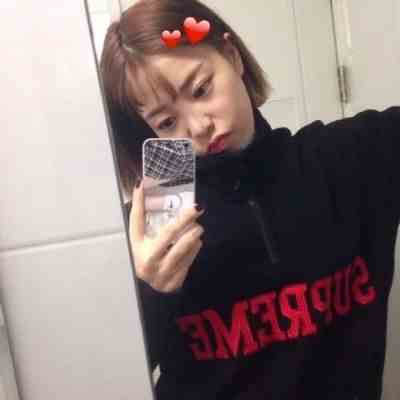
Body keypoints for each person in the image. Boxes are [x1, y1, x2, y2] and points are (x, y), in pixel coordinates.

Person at [99, 0, 400, 399]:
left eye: (201, 90)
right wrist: (152, 293)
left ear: (231, 55)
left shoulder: (352, 157)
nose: (199, 127)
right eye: (167, 122)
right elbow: (116, 373)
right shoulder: (152, 232)